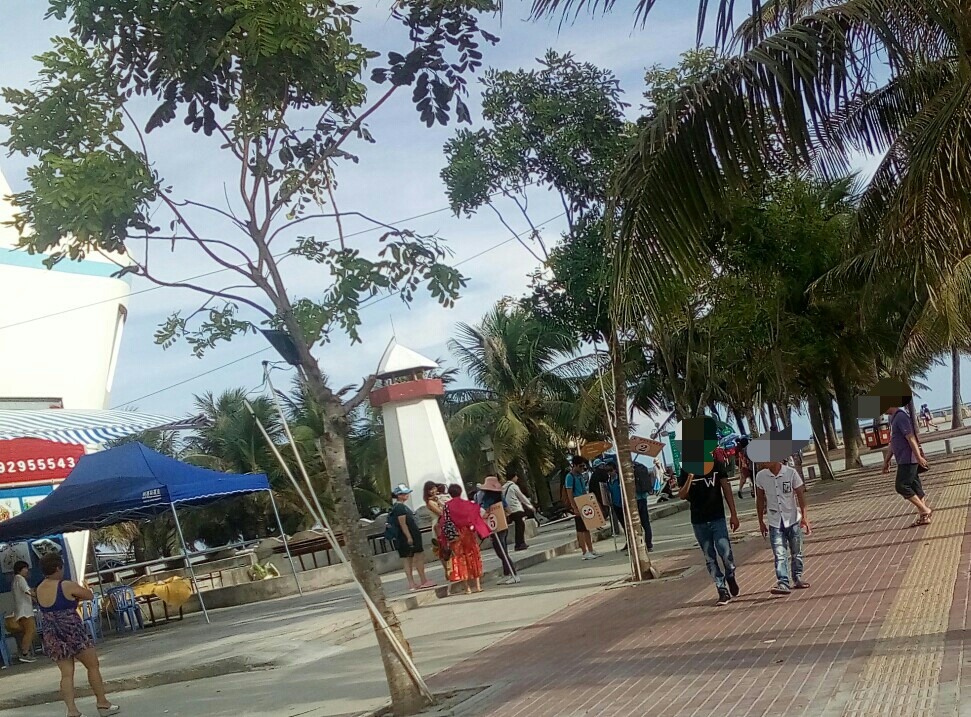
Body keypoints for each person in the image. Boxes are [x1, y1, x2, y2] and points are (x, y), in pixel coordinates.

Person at [35, 553, 120, 717]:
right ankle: (102, 702)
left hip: (52, 632)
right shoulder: (65, 585)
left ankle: (72, 710)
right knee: (92, 665)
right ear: (58, 568)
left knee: (66, 673)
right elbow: (89, 595)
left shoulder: (39, 588)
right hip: (72, 629)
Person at [678, 457, 741, 606]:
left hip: (717, 517)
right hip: (699, 520)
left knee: (725, 552)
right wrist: (690, 477)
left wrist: (733, 514)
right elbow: (682, 494)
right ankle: (721, 589)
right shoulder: (686, 468)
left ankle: (730, 574)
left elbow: (726, 488)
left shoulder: (715, 464)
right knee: (709, 557)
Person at [755, 460, 812, 595]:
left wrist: (805, 517)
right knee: (779, 553)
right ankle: (783, 582)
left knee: (796, 551)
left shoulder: (790, 473)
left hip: (792, 519)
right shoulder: (761, 476)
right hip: (775, 521)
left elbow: (800, 495)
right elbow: (760, 498)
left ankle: (797, 577)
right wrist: (760, 521)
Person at [883, 406, 932, 526]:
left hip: (909, 459)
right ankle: (924, 517)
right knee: (915, 486)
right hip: (903, 459)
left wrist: (918, 457)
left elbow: (911, 438)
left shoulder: (901, 417)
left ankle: (925, 510)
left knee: (901, 486)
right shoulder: (893, 418)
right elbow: (893, 442)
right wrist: (887, 461)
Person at [442, 483, 487, 594]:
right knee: (473, 557)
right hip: (468, 533)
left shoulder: (447, 506)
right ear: (460, 492)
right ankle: (478, 586)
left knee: (460, 559)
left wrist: (444, 540)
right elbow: (476, 515)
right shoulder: (468, 504)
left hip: (455, 535)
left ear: (450, 494)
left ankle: (467, 588)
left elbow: (445, 522)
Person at [389, 484, 435, 591]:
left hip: (404, 537)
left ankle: (412, 583)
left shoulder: (398, 507)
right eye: (404, 493)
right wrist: (409, 537)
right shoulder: (400, 508)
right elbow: (403, 524)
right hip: (409, 535)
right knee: (418, 558)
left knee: (407, 559)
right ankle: (423, 580)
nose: (407, 495)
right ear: (399, 495)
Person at [478, 476, 520, 584]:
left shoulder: (487, 499)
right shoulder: (500, 497)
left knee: (501, 552)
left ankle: (513, 574)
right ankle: (507, 573)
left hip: (494, 527)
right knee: (503, 550)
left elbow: (485, 513)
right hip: (502, 525)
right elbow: (508, 510)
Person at [564, 456, 600, 560]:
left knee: (587, 528)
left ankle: (591, 549)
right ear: (574, 465)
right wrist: (574, 507)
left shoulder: (580, 476)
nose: (582, 468)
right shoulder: (570, 477)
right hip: (577, 502)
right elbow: (569, 493)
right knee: (580, 529)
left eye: (583, 466)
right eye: (580, 466)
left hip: (584, 502)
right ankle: (584, 551)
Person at [502, 470, 535, 551]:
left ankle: (519, 543)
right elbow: (521, 497)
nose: (517, 478)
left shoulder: (503, 487)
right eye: (516, 476)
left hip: (509, 510)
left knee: (518, 526)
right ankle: (520, 543)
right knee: (520, 526)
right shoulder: (513, 486)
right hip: (516, 509)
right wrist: (530, 506)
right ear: (513, 477)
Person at [12, 560, 37, 663]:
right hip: (25, 612)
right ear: (19, 570)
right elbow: (28, 591)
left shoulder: (16, 580)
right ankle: (25, 654)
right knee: (30, 631)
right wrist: (38, 595)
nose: (27, 570)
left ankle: (24, 652)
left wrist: (34, 599)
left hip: (21, 611)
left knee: (26, 632)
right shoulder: (20, 578)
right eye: (25, 568)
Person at [423, 481, 451, 573]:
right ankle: (447, 570)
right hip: (438, 524)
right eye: (430, 490)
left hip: (445, 522)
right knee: (442, 548)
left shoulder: (439, 497)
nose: (433, 491)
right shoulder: (430, 502)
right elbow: (440, 512)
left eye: (434, 488)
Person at [632, 462, 655, 551]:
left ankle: (639, 544)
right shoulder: (642, 468)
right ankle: (649, 544)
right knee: (646, 524)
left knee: (636, 524)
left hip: (635, 500)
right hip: (643, 497)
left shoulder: (631, 471)